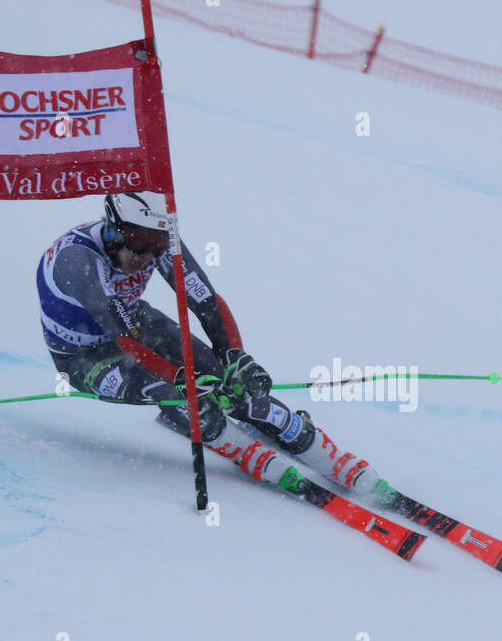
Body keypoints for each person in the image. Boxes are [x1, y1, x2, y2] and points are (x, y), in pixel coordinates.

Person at [35, 191, 381, 498]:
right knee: (171, 389)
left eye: (157, 243)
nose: (147, 253)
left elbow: (204, 299)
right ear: (113, 228)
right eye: (139, 241)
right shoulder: (77, 260)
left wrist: (235, 356)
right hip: (85, 357)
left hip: (133, 323)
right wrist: (180, 379)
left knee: (226, 378)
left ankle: (311, 443)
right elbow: (124, 338)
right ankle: (219, 433)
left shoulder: (155, 243)